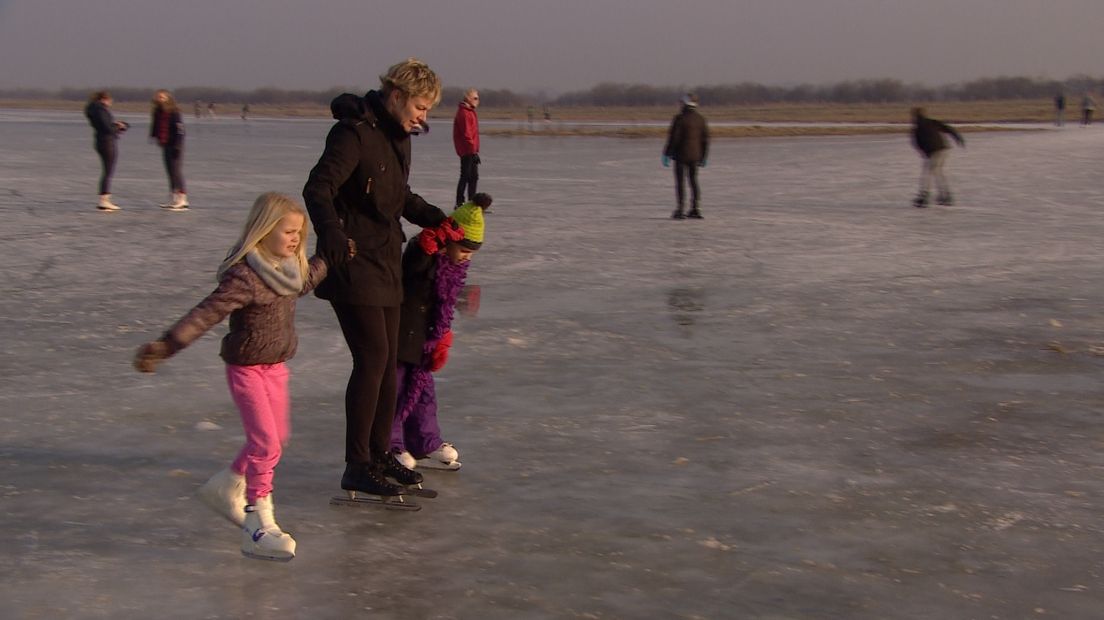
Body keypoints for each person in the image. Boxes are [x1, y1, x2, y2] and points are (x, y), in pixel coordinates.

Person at [133, 192, 336, 561]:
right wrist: (166, 346)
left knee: (277, 439)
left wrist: (332, 254)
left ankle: (226, 486)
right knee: (266, 445)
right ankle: (258, 525)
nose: (294, 239)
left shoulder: (290, 268)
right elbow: (205, 314)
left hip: (276, 368)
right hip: (247, 370)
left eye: (298, 233)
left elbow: (303, 283)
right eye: (287, 231)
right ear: (263, 230)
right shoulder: (245, 276)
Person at [302, 57, 453, 500]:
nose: (424, 116)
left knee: (388, 363)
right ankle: (357, 464)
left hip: (387, 263)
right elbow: (318, 187)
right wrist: (331, 231)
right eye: (422, 107)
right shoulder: (353, 133)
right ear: (398, 96)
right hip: (353, 263)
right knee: (372, 360)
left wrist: (435, 218)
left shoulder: (398, 138)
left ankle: (380, 453)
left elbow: (397, 194)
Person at [392, 194, 490, 471]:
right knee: (396, 392)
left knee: (424, 394)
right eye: (464, 250)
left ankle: (425, 443)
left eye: (471, 253)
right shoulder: (421, 251)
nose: (466, 258)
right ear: (447, 241)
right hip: (402, 335)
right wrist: (425, 250)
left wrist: (442, 337)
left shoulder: (452, 268)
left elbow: (442, 305)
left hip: (424, 339)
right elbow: (412, 274)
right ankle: (392, 446)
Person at [663, 93, 710, 219]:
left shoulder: (679, 119)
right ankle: (696, 208)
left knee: (680, 182)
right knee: (694, 181)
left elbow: (674, 138)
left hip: (681, 155)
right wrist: (704, 156)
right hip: (695, 156)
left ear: (684, 104)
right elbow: (705, 139)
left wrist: (667, 153)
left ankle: (680, 209)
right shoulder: (700, 119)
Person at [84, 90, 129, 211]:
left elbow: (104, 125)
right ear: (104, 99)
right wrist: (118, 126)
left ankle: (104, 199)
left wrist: (115, 126)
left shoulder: (94, 109)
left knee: (107, 170)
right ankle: (104, 200)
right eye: (110, 100)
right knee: (108, 171)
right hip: (106, 142)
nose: (111, 102)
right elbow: (106, 127)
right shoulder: (100, 109)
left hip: (101, 141)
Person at [910, 107, 965, 208]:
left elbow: (917, 144)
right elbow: (948, 128)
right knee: (936, 172)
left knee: (928, 172)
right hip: (943, 149)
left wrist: (925, 154)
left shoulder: (917, 128)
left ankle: (925, 196)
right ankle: (945, 195)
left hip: (936, 151)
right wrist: (958, 138)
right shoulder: (931, 122)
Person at [150, 89, 188, 210]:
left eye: (162, 97)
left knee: (176, 171)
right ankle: (173, 197)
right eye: (158, 97)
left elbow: (180, 130)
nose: (159, 99)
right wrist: (153, 135)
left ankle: (182, 198)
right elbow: (155, 125)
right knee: (170, 171)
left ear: (168, 99)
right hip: (165, 144)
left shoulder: (174, 112)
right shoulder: (158, 112)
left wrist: (178, 145)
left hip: (175, 144)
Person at [453, 88, 481, 207]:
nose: (477, 101)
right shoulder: (464, 113)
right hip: (466, 150)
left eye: (478, 98)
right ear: (468, 98)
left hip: (471, 150)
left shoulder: (470, 111)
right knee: (465, 175)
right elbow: (467, 134)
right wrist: (472, 152)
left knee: (473, 176)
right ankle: (460, 202)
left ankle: (471, 202)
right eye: (475, 98)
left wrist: (474, 151)